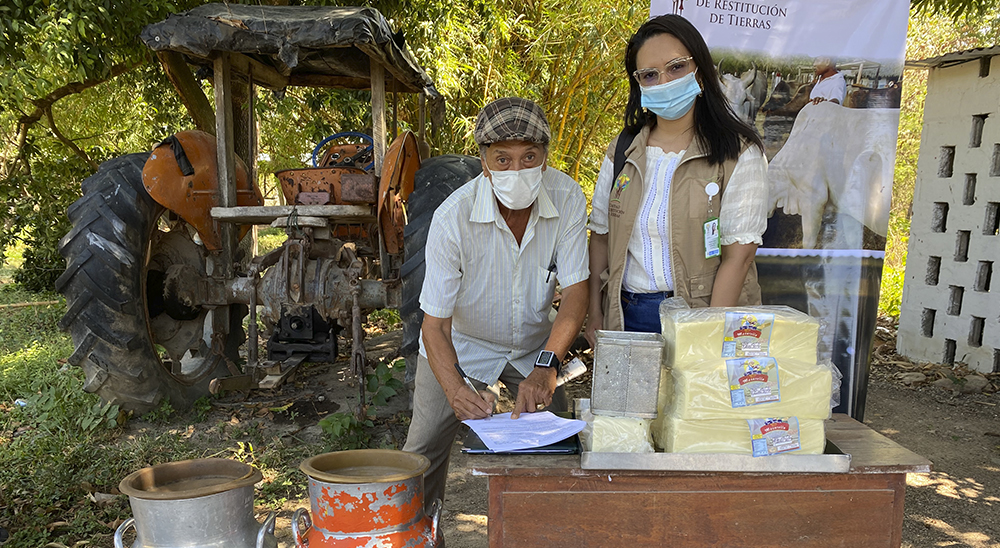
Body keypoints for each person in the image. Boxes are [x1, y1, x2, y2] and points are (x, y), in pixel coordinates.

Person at [402, 97, 590, 521]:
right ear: (483, 161)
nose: (516, 170)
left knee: (554, 451)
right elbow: (433, 327)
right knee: (421, 455)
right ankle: (419, 534)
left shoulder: (567, 197)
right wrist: (455, 391)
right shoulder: (453, 217)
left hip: (533, 346)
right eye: (502, 159)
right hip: (461, 344)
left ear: (545, 158)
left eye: (529, 157)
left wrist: (546, 368)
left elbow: (576, 294)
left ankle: (545, 532)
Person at [585, 14, 767, 341]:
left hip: (703, 314)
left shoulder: (739, 153)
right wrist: (596, 312)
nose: (665, 81)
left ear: (700, 69)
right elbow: (600, 235)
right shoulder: (623, 149)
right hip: (629, 317)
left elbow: (738, 260)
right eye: (650, 75)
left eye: (677, 67)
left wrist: (710, 336)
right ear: (638, 84)